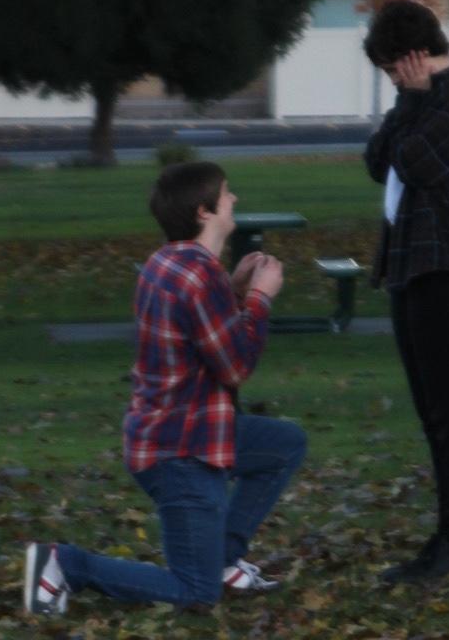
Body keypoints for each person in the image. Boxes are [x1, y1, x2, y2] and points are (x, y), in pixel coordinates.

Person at [24, 160, 306, 616]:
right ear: (204, 211)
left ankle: (222, 559)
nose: (234, 199)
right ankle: (65, 565)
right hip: (182, 452)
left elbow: (203, 332)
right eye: (226, 193)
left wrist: (234, 292)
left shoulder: (168, 262)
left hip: (185, 430)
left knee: (284, 444)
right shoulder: (198, 276)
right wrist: (260, 299)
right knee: (194, 591)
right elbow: (235, 366)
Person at [362, 0, 449, 584]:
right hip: (409, 267)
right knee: (431, 413)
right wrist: (408, 102)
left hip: (446, 268)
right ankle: (446, 540)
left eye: (391, 69)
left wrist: (414, 102)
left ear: (413, 56)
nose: (391, 80)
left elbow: (415, 163)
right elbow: (377, 161)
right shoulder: (417, 99)